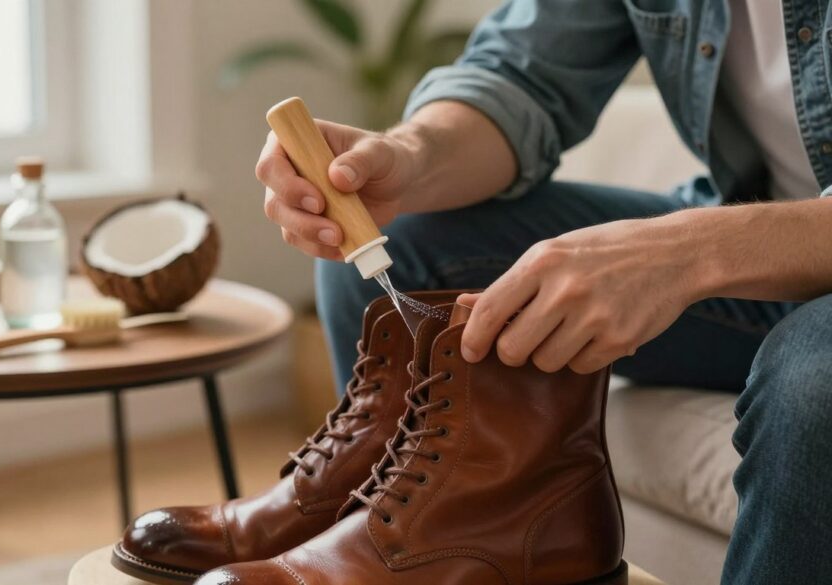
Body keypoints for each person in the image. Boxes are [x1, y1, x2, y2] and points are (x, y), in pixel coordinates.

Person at [255, 1, 832, 584]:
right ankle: (399, 538)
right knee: (401, 244)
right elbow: (522, 76)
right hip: (752, 250)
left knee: (816, 382)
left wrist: (687, 251)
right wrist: (412, 156)